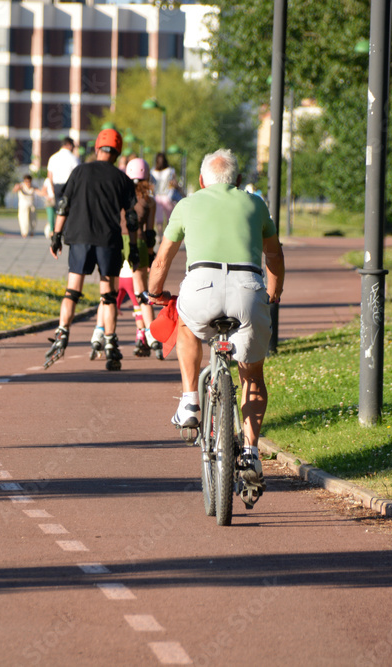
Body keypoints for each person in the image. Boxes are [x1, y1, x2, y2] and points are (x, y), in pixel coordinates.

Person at [147, 148, 285, 499]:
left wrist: (155, 293)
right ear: (238, 181)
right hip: (247, 291)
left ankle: (191, 400)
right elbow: (274, 254)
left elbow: (163, 258)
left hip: (201, 289)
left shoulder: (187, 204)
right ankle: (252, 452)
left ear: (202, 180)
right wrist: (274, 293)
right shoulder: (255, 204)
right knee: (252, 375)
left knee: (186, 324)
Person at [47, 128, 139, 371]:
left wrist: (56, 236)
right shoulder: (122, 180)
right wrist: (136, 247)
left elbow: (63, 206)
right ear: (117, 151)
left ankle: (62, 333)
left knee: (72, 291)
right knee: (108, 296)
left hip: (79, 237)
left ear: (97, 148)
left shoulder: (79, 171)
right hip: (108, 240)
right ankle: (110, 345)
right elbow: (131, 219)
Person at [88, 157, 162, 360]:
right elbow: (149, 233)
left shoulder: (119, 195)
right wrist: (150, 253)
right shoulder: (149, 201)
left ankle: (99, 331)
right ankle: (151, 335)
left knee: (108, 292)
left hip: (114, 243)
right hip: (136, 242)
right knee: (142, 293)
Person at [151, 152, 179, 231]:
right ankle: (168, 236)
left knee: (159, 219)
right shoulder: (170, 171)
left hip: (157, 197)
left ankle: (160, 236)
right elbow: (174, 183)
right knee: (169, 218)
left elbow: (152, 185)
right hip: (167, 196)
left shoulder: (152, 172)